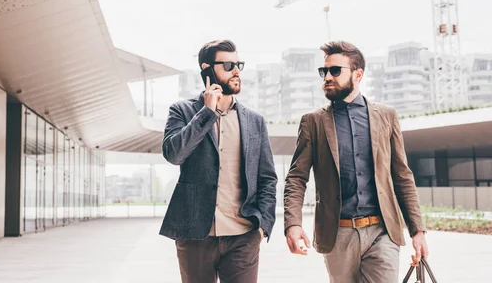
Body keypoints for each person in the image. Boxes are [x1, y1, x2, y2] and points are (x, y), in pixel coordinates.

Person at [283, 40, 428, 283]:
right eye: (324, 71)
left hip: (382, 231)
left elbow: (402, 175)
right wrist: (292, 224)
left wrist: (417, 230)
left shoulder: (386, 116)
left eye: (335, 71)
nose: (328, 76)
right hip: (337, 234)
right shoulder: (313, 122)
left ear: (358, 74)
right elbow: (296, 178)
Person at [160, 39, 278, 283]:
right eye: (228, 65)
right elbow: (174, 154)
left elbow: (267, 177)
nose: (236, 71)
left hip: (243, 235)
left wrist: (262, 224)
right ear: (207, 69)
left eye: (238, 64)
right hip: (195, 234)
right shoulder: (182, 111)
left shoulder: (255, 121)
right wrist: (207, 113)